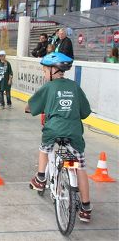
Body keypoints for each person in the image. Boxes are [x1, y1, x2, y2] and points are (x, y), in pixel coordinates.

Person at [26, 52, 92, 223]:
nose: (43, 73)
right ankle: (85, 208)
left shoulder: (48, 87)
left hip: (53, 130)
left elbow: (31, 106)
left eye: (44, 70)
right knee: (80, 168)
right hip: (74, 132)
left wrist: (30, 109)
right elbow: (85, 112)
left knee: (44, 148)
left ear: (53, 70)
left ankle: (40, 178)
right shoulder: (75, 87)